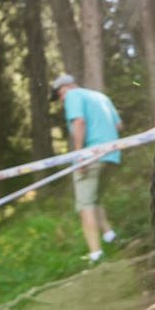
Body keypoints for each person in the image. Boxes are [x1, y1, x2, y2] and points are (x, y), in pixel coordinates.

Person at [52, 73, 121, 262]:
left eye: (60, 95)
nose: (61, 100)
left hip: (91, 156)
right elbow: (119, 125)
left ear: (65, 88)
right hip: (112, 155)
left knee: (85, 205)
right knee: (95, 199)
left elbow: (79, 122)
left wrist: (79, 155)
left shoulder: (73, 96)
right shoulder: (100, 97)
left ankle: (95, 255)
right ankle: (110, 237)